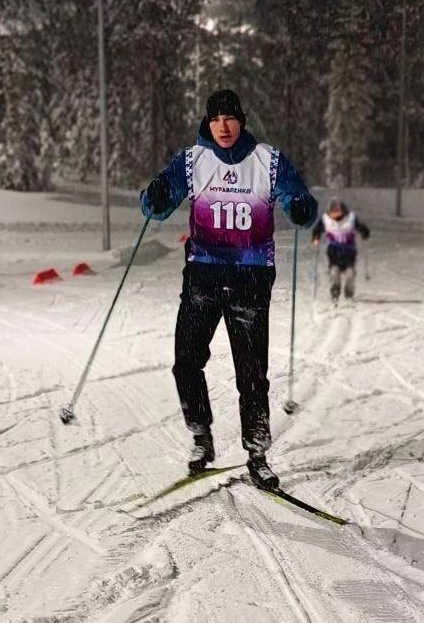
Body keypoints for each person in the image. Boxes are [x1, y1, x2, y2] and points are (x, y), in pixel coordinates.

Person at [140, 89, 317, 490]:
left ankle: (257, 453)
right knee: (185, 362)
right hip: (203, 274)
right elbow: (155, 205)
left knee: (252, 375)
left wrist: (301, 206)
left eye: (231, 118)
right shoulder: (192, 161)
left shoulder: (267, 161)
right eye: (217, 119)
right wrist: (154, 196)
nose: (224, 126)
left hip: (250, 279)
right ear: (208, 121)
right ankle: (201, 437)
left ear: (241, 121)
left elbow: (296, 197)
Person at [311, 198, 370, 303]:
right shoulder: (326, 219)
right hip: (334, 252)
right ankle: (335, 293)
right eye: (333, 213)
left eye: (337, 212)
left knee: (350, 273)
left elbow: (360, 227)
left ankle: (349, 294)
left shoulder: (350, 218)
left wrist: (364, 231)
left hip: (349, 252)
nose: (335, 215)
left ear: (343, 211)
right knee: (334, 272)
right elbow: (317, 230)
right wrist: (316, 237)